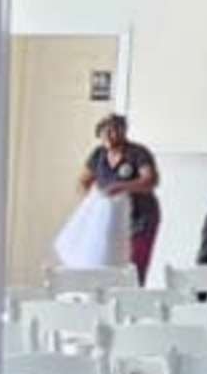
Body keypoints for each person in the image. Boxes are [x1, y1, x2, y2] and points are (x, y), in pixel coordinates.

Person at [49, 111, 158, 279]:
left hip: (139, 220)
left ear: (123, 131)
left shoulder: (137, 153)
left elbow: (149, 180)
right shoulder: (98, 155)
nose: (108, 135)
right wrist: (93, 199)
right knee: (104, 261)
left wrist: (122, 187)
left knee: (133, 268)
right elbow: (83, 182)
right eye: (104, 131)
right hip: (110, 219)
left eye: (113, 130)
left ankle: (131, 293)